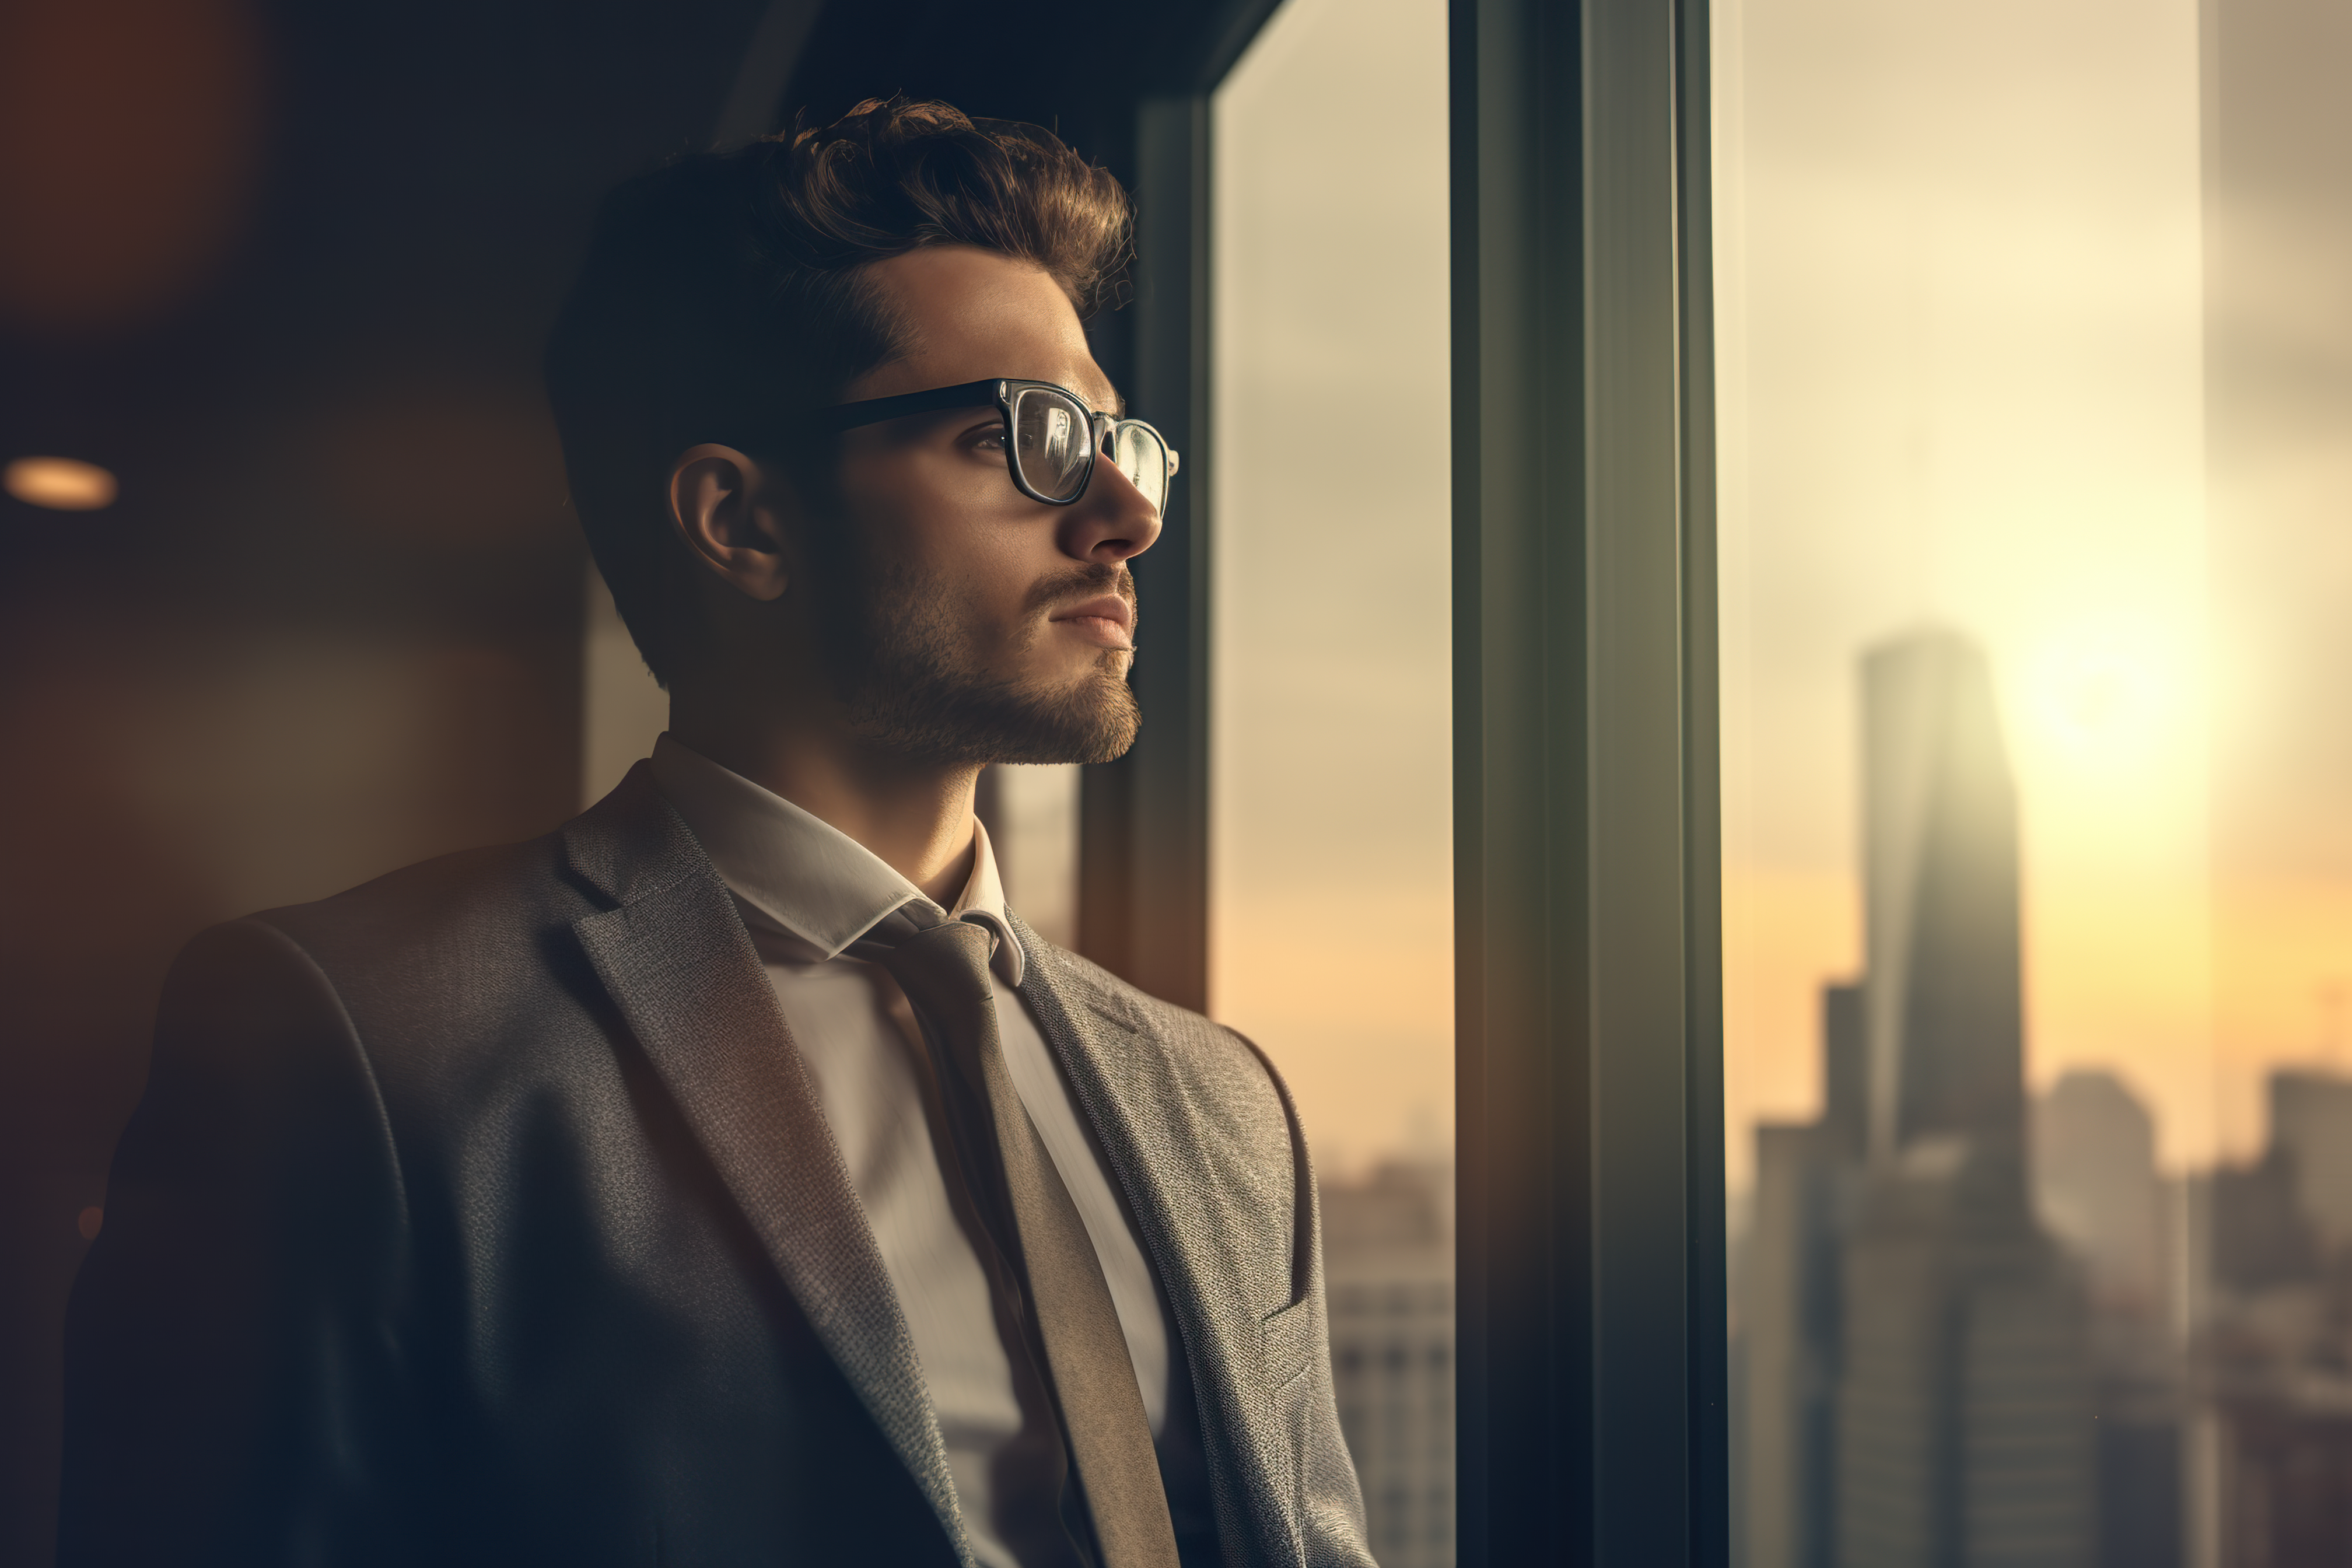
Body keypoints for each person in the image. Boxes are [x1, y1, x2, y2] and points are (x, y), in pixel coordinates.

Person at [57, 98, 1372, 1568]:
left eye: (1122, 438)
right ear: (739, 522)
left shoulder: (1222, 1101)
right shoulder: (360, 1042)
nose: (1125, 509)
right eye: (1033, 437)